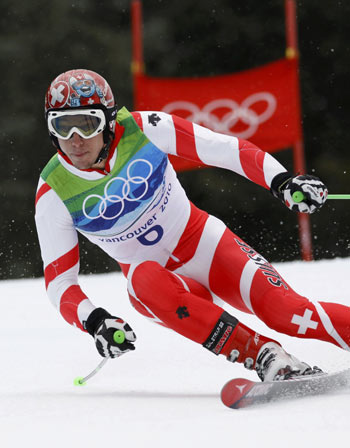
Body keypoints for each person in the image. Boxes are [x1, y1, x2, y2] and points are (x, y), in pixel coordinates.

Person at [35, 69, 347, 384]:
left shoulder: (144, 129)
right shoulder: (53, 191)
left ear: (109, 120)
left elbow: (225, 150)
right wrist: (95, 321)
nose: (75, 140)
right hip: (160, 288)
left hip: (206, 245)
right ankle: (266, 357)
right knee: (142, 279)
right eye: (62, 126)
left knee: (287, 313)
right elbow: (59, 282)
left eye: (88, 124)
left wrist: (281, 182)